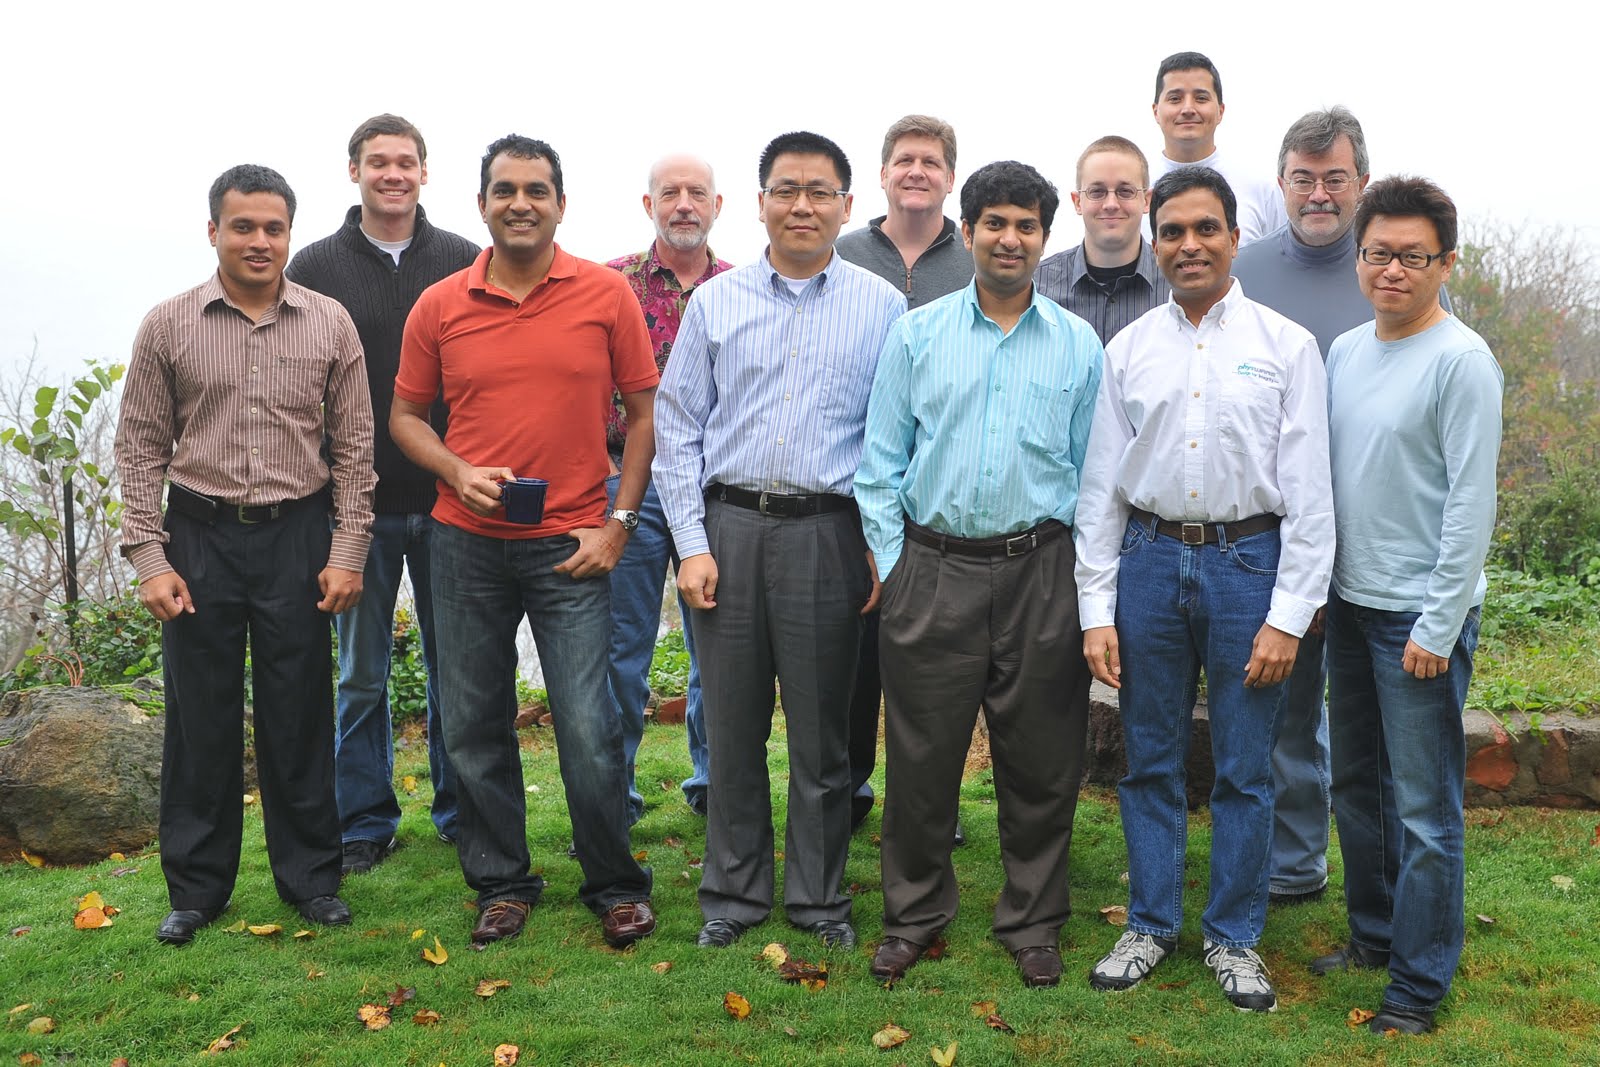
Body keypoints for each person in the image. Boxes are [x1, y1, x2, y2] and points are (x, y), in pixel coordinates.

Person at [1076, 167, 1333, 1012]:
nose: (1190, 245)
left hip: (1248, 566)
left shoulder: (1286, 346)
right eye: (1174, 232)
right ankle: (1150, 922)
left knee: (1245, 768)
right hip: (1148, 563)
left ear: (1233, 236)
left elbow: (1311, 493)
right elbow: (1101, 489)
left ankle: (1233, 935)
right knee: (1148, 760)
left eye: (1206, 229)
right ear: (1155, 243)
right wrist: (1096, 609)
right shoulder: (1128, 349)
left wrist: (1289, 615)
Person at [391, 135, 657, 949]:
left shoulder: (606, 294)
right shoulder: (440, 303)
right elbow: (405, 417)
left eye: (536, 190)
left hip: (571, 543)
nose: (520, 203)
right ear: (481, 204)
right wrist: (455, 468)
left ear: (560, 204)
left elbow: (645, 416)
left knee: (587, 723)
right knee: (473, 724)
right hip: (463, 543)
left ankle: (614, 883)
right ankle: (502, 883)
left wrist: (618, 523)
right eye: (504, 189)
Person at [654, 131, 905, 951]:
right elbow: (677, 428)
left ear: (847, 204)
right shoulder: (716, 303)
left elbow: (892, 436)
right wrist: (692, 543)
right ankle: (733, 892)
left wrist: (879, 542)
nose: (803, 205)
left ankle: (819, 897)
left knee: (824, 730)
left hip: (829, 534)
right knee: (730, 726)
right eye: (787, 190)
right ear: (760, 203)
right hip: (728, 530)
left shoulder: (882, 308)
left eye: (820, 191)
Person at [116, 164, 375, 944]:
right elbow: (139, 448)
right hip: (199, 537)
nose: (259, 241)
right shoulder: (168, 325)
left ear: (289, 234)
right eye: (243, 226)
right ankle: (196, 890)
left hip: (298, 535)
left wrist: (349, 548)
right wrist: (150, 557)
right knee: (200, 716)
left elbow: (355, 449)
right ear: (213, 231)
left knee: (300, 712)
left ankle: (311, 879)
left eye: (273, 228)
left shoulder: (330, 323)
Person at [858, 161, 1102, 988]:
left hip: (1041, 571)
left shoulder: (1077, 344)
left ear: (1044, 236)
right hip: (933, 567)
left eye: (1026, 225)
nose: (1009, 238)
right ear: (967, 232)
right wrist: (899, 569)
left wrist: (1084, 583)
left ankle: (1033, 919)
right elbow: (880, 463)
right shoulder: (916, 335)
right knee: (921, 759)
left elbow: (1093, 475)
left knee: (1041, 759)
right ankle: (914, 913)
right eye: (994, 222)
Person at [1314, 177, 1502, 1037]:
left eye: (1412, 256)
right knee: (1356, 786)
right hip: (1351, 604)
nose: (1392, 269)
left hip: (1418, 619)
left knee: (1426, 812)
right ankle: (1374, 936)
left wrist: (1439, 620)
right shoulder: (1347, 350)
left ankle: (1418, 985)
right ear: (1359, 259)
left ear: (1445, 263)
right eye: (1378, 253)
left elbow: (1471, 504)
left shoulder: (1462, 361)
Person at [287, 113, 478, 872]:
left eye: (405, 162)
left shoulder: (464, 259)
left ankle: (460, 808)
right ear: (354, 171)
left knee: (454, 668)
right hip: (354, 506)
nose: (392, 174)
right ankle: (364, 820)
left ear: (424, 172)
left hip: (449, 497)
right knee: (361, 674)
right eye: (378, 162)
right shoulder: (314, 266)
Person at [835, 114, 972, 834]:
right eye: (905, 159)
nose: (917, 171)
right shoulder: (843, 253)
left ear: (950, 177)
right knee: (856, 658)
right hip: (852, 484)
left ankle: (931, 802)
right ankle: (849, 789)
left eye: (931, 161)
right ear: (883, 173)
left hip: (945, 492)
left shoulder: (973, 257)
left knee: (937, 666)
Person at [604, 154, 731, 823]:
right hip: (627, 481)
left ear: (717, 205)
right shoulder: (609, 285)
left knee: (716, 644)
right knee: (620, 649)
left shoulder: (742, 288)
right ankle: (612, 798)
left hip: (712, 488)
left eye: (697, 193)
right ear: (649, 204)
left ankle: (714, 788)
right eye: (670, 192)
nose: (684, 203)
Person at [1035, 135, 1171, 345]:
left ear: (1147, 201)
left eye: (1125, 191)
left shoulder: (1175, 285)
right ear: (1077, 202)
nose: (1111, 204)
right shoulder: (1037, 289)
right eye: (1097, 192)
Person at [1150, 52, 1284, 245]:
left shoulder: (1261, 188)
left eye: (1201, 98)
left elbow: (1281, 255)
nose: (1188, 109)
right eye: (1175, 99)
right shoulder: (1133, 191)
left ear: (1220, 111)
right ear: (1156, 111)